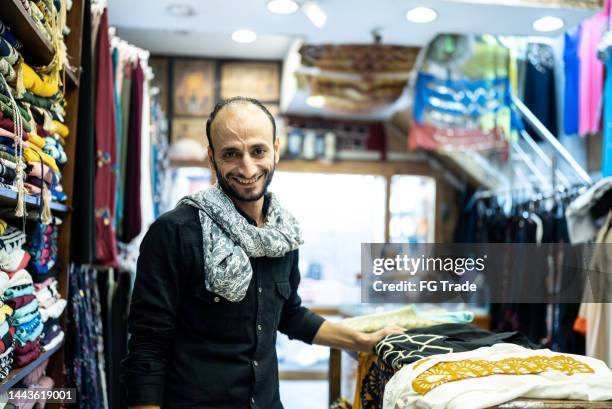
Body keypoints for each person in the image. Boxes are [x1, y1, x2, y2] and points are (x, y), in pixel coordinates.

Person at [121, 96, 404, 409]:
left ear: (276, 150)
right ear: (212, 158)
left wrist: (361, 340)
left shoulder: (283, 234)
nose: (247, 167)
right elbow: (147, 345)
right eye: (231, 153)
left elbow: (290, 314)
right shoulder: (174, 232)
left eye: (258, 151)